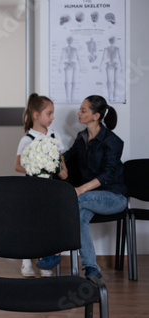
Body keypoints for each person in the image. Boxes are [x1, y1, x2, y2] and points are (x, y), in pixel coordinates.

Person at [63, 95, 127, 279]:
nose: (79, 112)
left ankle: (54, 252)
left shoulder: (112, 141)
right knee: (80, 217)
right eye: (80, 109)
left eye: (83, 110)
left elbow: (107, 175)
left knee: (77, 199)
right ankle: (92, 269)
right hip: (91, 198)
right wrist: (54, 156)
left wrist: (81, 189)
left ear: (96, 116)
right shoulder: (82, 137)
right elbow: (68, 156)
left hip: (114, 197)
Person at [14, 93, 67, 278]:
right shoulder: (27, 139)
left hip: (52, 190)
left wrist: (60, 170)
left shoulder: (55, 136)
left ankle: (46, 262)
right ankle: (26, 261)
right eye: (49, 113)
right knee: (31, 224)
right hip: (33, 189)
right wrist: (37, 168)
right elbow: (17, 165)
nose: (52, 118)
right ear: (36, 115)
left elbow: (61, 162)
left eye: (53, 114)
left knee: (49, 225)